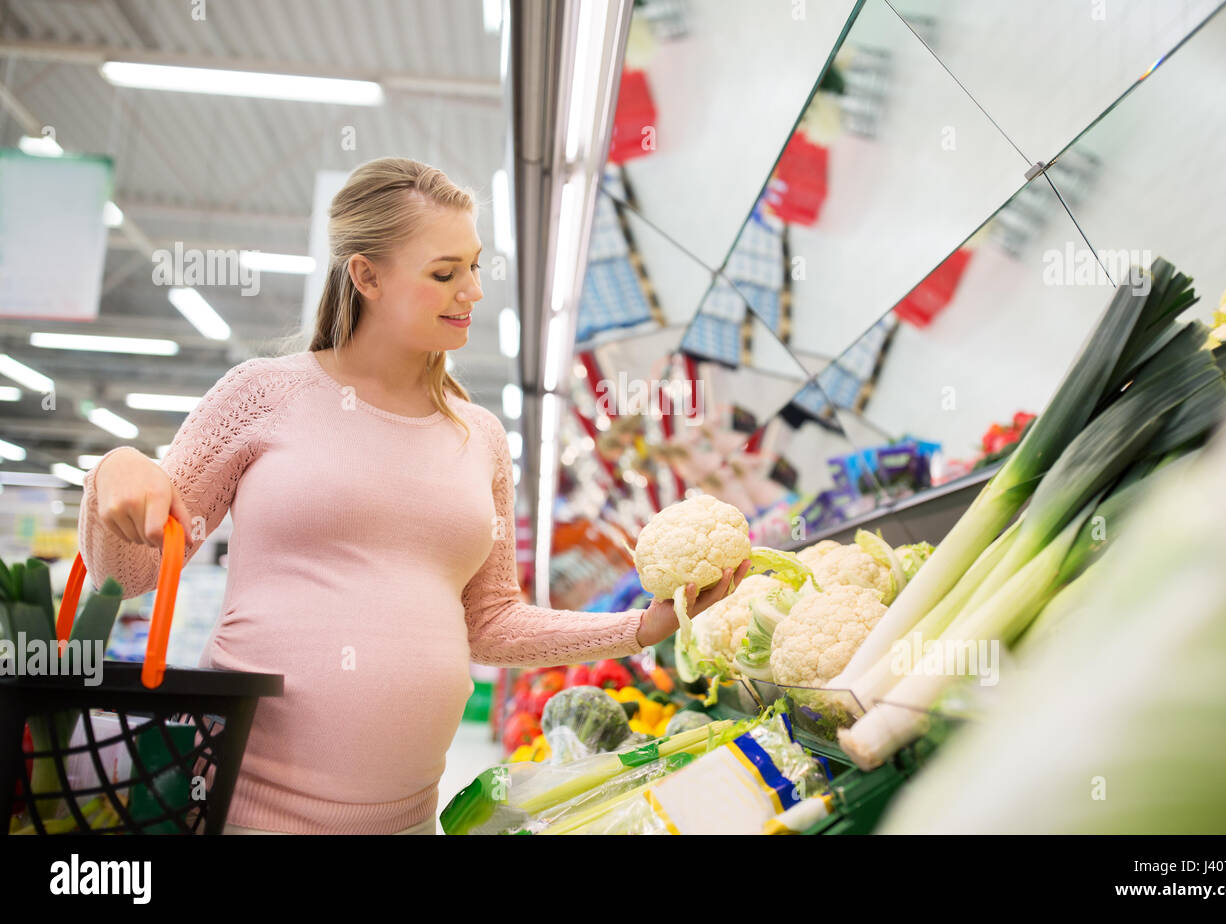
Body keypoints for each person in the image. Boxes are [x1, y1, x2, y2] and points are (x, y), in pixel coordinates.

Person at [77, 157, 750, 834]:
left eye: (476, 267)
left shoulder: (479, 437)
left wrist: (642, 627)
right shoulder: (261, 397)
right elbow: (127, 577)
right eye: (445, 272)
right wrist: (115, 469)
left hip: (407, 821)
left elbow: (490, 624)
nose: (474, 292)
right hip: (242, 810)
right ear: (366, 276)